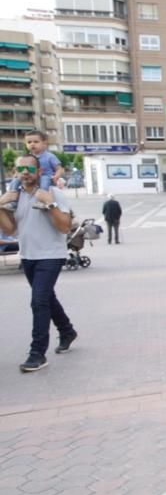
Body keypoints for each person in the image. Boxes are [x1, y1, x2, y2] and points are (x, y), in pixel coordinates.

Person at [0, 154, 78, 373]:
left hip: (51, 254)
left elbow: (64, 227)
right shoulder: (15, 197)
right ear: (15, 173)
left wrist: (49, 203)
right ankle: (67, 330)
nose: (25, 173)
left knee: (38, 301)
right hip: (28, 255)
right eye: (20, 169)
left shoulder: (54, 193)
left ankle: (37, 354)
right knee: (46, 299)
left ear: (39, 172)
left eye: (30, 169)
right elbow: (9, 230)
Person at [2, 130, 64, 212]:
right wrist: (16, 174)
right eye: (29, 142)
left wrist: (56, 176)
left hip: (45, 176)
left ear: (44, 143)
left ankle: (42, 201)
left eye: (36, 142)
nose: (32, 144)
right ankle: (13, 201)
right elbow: (21, 168)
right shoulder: (27, 157)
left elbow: (59, 168)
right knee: (15, 181)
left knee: (44, 180)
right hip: (31, 177)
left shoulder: (49, 156)